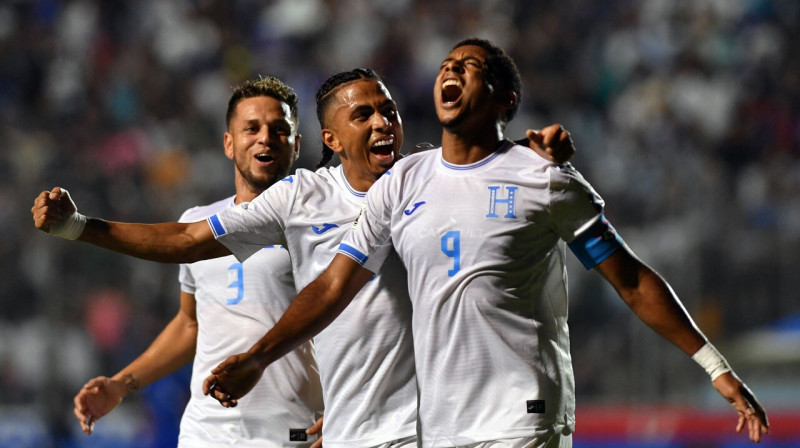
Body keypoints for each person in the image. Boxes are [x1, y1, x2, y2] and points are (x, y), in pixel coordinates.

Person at [201, 39, 771, 447]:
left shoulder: (543, 177)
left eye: (469, 66)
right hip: (443, 429)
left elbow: (630, 278)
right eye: (447, 64)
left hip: (523, 418)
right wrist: (257, 358)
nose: (451, 71)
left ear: (502, 97)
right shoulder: (406, 180)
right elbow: (332, 286)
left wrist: (713, 364)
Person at [32, 68, 573, 446]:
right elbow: (188, 279)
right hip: (267, 431)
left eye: (388, 109)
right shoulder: (289, 203)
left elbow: (483, 177)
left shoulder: (421, 182)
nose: (383, 121)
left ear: (298, 142)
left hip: (391, 428)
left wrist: (532, 161)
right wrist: (80, 229)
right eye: (364, 114)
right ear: (331, 138)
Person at [69, 77, 325, 447]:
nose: (265, 137)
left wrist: (342, 414)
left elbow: (357, 325)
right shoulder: (196, 221)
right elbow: (190, 324)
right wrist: (120, 384)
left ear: (296, 145)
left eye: (279, 129)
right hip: (206, 433)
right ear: (228, 143)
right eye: (251, 128)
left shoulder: (317, 224)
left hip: (292, 434)